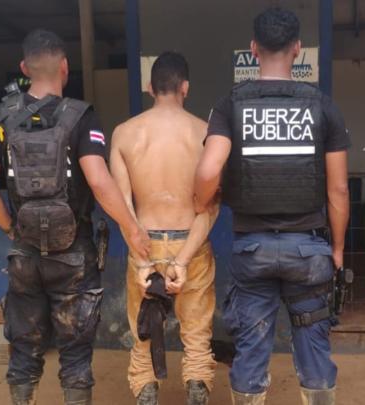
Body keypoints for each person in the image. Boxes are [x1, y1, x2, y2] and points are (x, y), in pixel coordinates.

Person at [0, 29, 150, 405]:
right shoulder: (81, 117)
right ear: (65, 67)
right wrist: (132, 228)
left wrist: (10, 228)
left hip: (25, 254)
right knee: (75, 354)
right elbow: (99, 182)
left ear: (24, 68)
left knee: (24, 349)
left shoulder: (0, 117)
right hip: (74, 254)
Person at [194, 8, 350, 405]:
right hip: (308, 249)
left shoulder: (230, 105)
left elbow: (209, 169)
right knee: (314, 347)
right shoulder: (323, 106)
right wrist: (337, 248)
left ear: (253, 49)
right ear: (297, 48)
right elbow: (338, 190)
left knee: (251, 349)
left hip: (253, 249)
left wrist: (201, 201)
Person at [109, 51, 218, 405]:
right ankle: (197, 391)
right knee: (197, 335)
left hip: (144, 242)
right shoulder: (206, 134)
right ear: (185, 87)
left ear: (149, 87)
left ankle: (146, 394)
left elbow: (123, 206)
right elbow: (210, 206)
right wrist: (183, 259)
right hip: (192, 244)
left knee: (142, 332)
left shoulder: (124, 134)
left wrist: (143, 262)